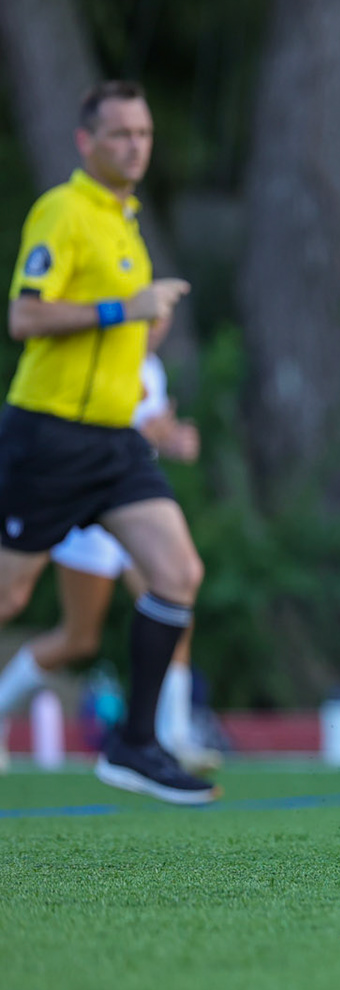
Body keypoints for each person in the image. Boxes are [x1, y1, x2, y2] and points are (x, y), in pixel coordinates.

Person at [0, 81, 210, 803]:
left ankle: (136, 745)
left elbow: (112, 333)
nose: (134, 146)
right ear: (85, 143)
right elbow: (24, 320)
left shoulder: (126, 222)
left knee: (178, 572)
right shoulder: (62, 211)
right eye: (119, 134)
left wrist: (144, 328)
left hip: (117, 444)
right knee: (9, 595)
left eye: (144, 134)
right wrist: (128, 306)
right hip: (48, 435)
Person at [0, 331, 215, 772]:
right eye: (154, 315)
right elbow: (92, 433)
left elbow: (146, 442)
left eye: (167, 318)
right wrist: (146, 434)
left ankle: (169, 737)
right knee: (74, 635)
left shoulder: (151, 368)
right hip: (84, 507)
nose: (160, 326)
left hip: (132, 509)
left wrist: (172, 441)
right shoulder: (99, 355)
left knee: (174, 591)